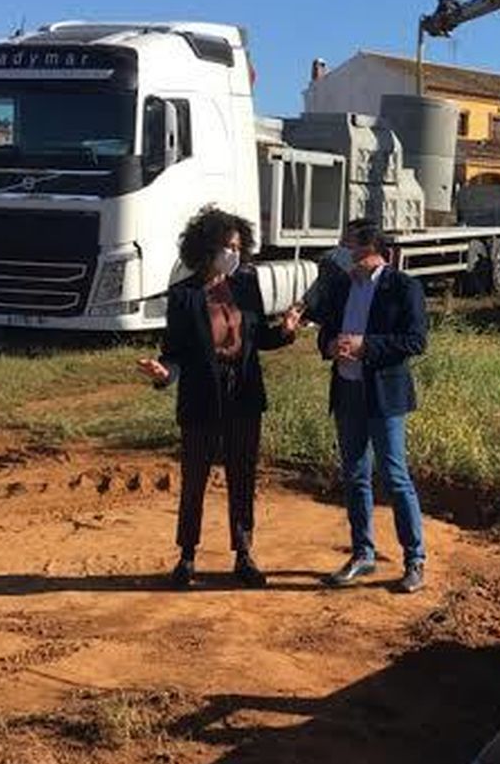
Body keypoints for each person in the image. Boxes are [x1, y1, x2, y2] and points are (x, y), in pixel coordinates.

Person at [136, 206, 302, 589]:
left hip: (243, 395)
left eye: (239, 247)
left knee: (242, 477)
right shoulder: (184, 296)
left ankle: (243, 554)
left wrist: (287, 330)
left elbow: (259, 339)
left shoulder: (245, 286)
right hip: (200, 397)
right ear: (206, 249)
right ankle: (187, 556)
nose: (235, 254)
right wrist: (164, 374)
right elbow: (173, 352)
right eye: (228, 247)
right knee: (194, 479)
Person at [315, 218, 429, 593]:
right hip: (347, 391)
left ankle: (415, 559)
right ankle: (363, 553)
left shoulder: (403, 287)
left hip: (384, 396)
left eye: (356, 251)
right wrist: (330, 346)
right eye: (347, 249)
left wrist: (367, 347)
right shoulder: (343, 287)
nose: (349, 257)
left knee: (395, 476)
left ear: (379, 253)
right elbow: (326, 332)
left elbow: (415, 341)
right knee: (355, 475)